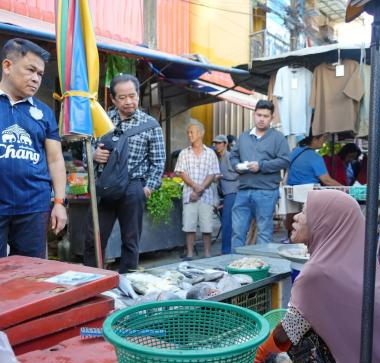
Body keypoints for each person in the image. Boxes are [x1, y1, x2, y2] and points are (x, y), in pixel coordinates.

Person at [253, 190, 380, 363]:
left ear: (324, 223)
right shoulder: (361, 261)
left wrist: (252, 358)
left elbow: (286, 332)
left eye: (305, 212)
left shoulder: (318, 274)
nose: (296, 217)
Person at [84, 74, 165, 273]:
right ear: (113, 99)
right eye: (122, 97)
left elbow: (158, 161)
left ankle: (127, 280)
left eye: (132, 96)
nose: (129, 101)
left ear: (138, 95)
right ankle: (92, 279)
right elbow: (86, 154)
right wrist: (93, 155)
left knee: (130, 240)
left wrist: (147, 188)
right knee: (93, 239)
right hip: (105, 187)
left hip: (133, 187)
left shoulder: (151, 125)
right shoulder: (100, 121)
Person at [0, 38, 67, 258]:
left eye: (40, 73)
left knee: (31, 271)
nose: (36, 79)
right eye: (30, 70)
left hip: (34, 206)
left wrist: (59, 202)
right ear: (7, 66)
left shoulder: (44, 112)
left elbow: (55, 159)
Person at [230, 100, 290, 249]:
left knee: (264, 233)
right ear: (254, 114)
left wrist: (261, 166)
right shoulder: (243, 136)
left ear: (272, 118)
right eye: (259, 115)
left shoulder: (278, 137)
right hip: (243, 190)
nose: (261, 119)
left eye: (266, 116)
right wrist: (237, 166)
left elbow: (285, 161)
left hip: (266, 192)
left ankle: (261, 262)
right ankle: (234, 261)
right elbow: (233, 156)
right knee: (237, 232)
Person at [174, 120, 220, 259]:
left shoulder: (210, 153)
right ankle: (189, 254)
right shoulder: (184, 153)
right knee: (189, 226)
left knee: (207, 227)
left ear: (200, 134)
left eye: (192, 132)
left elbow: (212, 173)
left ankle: (207, 254)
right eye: (188, 133)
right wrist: (195, 187)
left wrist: (200, 189)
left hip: (206, 196)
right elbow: (182, 172)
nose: (189, 135)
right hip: (189, 195)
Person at [284, 134, 342, 239]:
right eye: (323, 139)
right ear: (315, 139)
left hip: (292, 193)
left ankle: (292, 238)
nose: (324, 142)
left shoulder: (294, 153)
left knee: (294, 217)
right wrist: (344, 188)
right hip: (310, 194)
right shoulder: (315, 157)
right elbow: (326, 180)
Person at [213, 135, 239, 254]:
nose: (217, 145)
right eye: (215, 143)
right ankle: (228, 250)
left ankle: (226, 251)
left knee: (227, 222)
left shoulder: (229, 156)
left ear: (225, 144)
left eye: (219, 143)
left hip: (232, 192)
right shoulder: (219, 157)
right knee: (226, 223)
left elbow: (236, 174)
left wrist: (221, 176)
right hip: (225, 193)